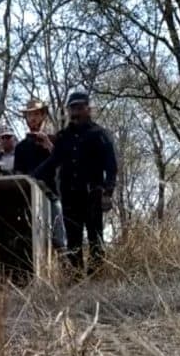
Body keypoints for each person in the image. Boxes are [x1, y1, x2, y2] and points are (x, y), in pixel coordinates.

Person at [33, 91, 117, 277]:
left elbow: (111, 167)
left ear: (88, 109)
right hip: (70, 196)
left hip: (93, 194)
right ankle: (75, 279)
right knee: (73, 239)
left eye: (79, 107)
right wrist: (31, 177)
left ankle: (97, 277)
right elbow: (53, 161)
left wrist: (107, 193)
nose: (76, 112)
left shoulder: (100, 135)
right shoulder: (64, 136)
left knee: (96, 237)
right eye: (72, 108)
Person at [13, 98, 67, 253]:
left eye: (36, 114)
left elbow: (63, 164)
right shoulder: (21, 147)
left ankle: (62, 253)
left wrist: (48, 145)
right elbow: (18, 173)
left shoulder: (54, 140)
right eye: (29, 115)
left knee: (57, 214)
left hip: (50, 193)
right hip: (28, 195)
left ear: (43, 115)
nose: (33, 118)